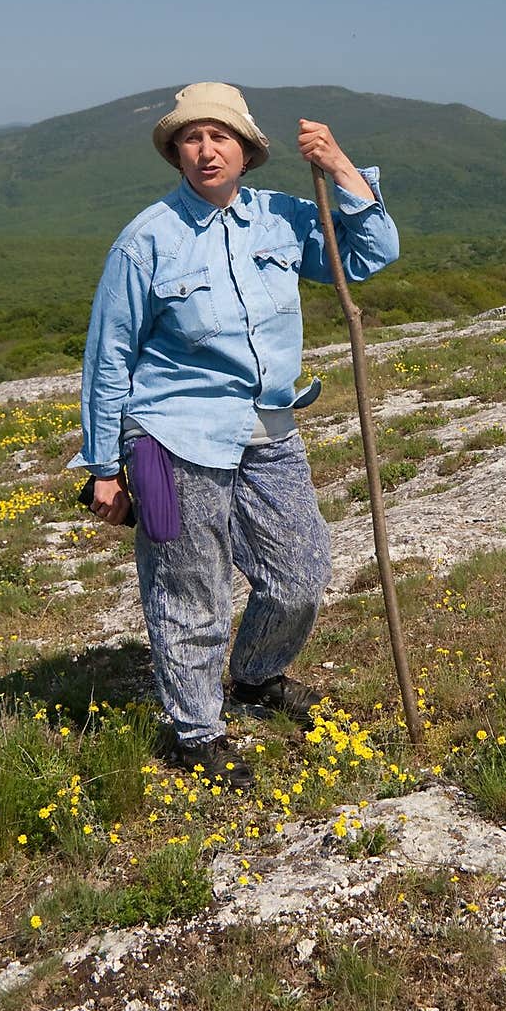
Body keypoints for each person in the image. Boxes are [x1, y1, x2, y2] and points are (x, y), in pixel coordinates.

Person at [69, 82, 399, 790]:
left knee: (301, 573)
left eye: (221, 136)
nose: (206, 148)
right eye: (192, 137)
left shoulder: (280, 218)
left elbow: (371, 256)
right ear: (176, 153)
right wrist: (103, 466)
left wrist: (342, 169)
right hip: (170, 439)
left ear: (247, 150)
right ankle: (196, 732)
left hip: (269, 430)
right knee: (193, 589)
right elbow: (109, 357)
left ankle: (254, 676)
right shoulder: (145, 241)